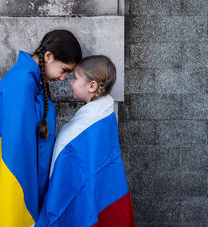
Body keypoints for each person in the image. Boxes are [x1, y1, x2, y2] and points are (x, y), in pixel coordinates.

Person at [0, 30, 82, 227]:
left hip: (15, 176)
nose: (63, 78)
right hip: (14, 178)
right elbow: (17, 151)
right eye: (64, 70)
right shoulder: (23, 83)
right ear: (48, 56)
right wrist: (23, 207)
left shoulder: (30, 81)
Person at [36, 55, 135, 227]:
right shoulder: (103, 115)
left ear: (92, 86)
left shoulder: (89, 124)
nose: (70, 82)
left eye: (75, 78)